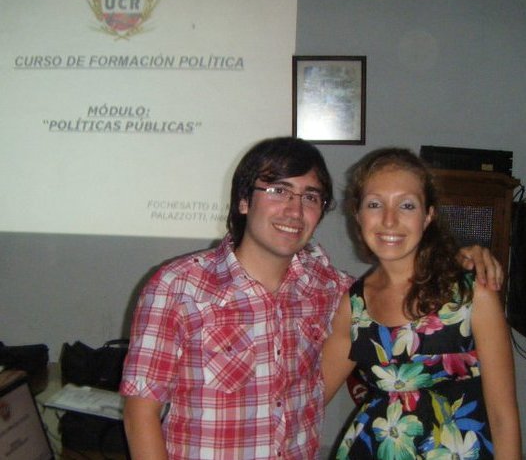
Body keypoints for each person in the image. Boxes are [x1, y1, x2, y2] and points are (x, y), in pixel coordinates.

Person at [120, 137, 503, 460]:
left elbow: (398, 290)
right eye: (278, 191)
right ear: (243, 201)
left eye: (310, 197)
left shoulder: (333, 291)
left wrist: (460, 258)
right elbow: (141, 414)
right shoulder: (178, 287)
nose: (294, 210)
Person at [323, 148, 521, 459]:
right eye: (374, 204)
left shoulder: (471, 295)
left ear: (428, 215)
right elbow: (310, 396)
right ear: (358, 214)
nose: (389, 220)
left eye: (406, 205)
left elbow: (503, 418)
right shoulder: (354, 305)